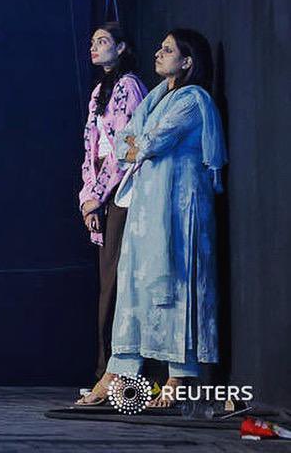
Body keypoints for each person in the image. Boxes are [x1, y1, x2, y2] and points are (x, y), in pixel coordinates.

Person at [89, 28, 226, 408]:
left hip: (178, 205)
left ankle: (180, 375)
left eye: (168, 50)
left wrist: (137, 142)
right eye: (160, 47)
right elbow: (124, 141)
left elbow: (147, 142)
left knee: (176, 282)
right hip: (147, 207)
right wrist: (136, 142)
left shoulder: (192, 99)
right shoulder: (155, 97)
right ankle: (119, 369)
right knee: (136, 284)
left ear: (187, 61)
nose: (158, 54)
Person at [74, 23, 147, 405]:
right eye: (92, 42)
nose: (94, 47)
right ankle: (105, 372)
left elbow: (125, 150)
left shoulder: (130, 86)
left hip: (123, 192)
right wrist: (88, 197)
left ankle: (114, 375)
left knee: (116, 285)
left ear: (121, 47)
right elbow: (90, 149)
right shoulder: (99, 91)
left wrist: (99, 196)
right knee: (107, 284)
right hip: (103, 194)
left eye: (103, 42)